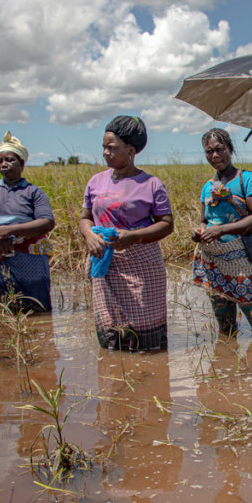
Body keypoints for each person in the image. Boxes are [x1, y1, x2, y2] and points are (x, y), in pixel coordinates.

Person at [79, 116, 174, 351]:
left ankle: (150, 378)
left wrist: (132, 237)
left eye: (112, 148)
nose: (105, 153)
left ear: (130, 150)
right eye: (104, 147)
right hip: (105, 261)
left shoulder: (151, 184)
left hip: (141, 265)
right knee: (110, 326)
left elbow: (166, 224)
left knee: (146, 335)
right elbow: (85, 218)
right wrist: (90, 236)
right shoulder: (95, 182)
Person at [191, 128, 252, 335]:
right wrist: (200, 231)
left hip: (242, 261)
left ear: (230, 149)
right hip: (213, 262)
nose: (215, 155)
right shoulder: (207, 187)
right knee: (226, 329)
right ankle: (227, 362)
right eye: (209, 151)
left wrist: (221, 230)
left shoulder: (246, 179)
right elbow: (204, 220)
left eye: (220, 149)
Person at [0, 130, 55, 313]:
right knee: (6, 305)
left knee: (37, 306)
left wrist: (10, 231)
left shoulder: (34, 192)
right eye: (0, 161)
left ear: (22, 163)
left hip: (29, 257)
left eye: (9, 160)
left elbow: (47, 222)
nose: (4, 164)